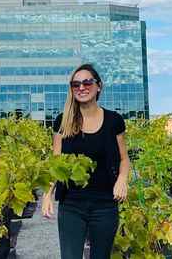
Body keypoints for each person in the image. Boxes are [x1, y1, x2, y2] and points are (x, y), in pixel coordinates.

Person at [41, 63, 130, 259]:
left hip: (105, 204)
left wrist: (122, 179)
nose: (81, 87)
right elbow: (55, 164)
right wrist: (47, 194)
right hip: (71, 204)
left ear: (98, 86)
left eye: (87, 82)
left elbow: (124, 159)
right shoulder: (62, 121)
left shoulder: (114, 120)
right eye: (76, 84)